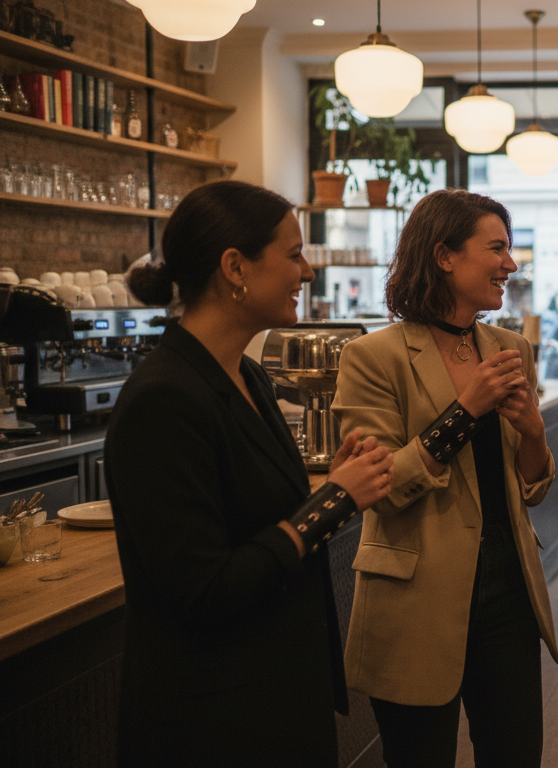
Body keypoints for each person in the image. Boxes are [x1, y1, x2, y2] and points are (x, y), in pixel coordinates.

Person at [105, 180, 394, 767]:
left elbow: (260, 515)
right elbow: (201, 589)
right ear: (235, 267)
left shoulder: (250, 376)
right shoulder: (164, 398)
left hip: (276, 696)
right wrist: (332, 502)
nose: (308, 272)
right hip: (211, 722)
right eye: (293, 254)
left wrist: (330, 482)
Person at [333, 189, 558, 767]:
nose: (510, 264)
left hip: (509, 587)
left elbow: (532, 487)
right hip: (414, 596)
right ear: (444, 255)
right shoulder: (372, 357)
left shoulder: (511, 348)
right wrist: (466, 410)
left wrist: (534, 432)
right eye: (497, 249)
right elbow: (378, 485)